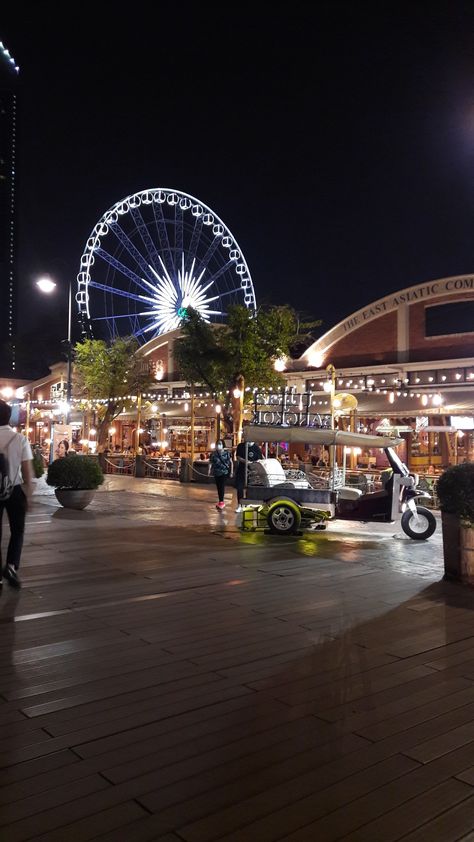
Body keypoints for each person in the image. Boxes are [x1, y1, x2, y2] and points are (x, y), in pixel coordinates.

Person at [0, 400, 33, 589]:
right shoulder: (19, 439)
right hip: (14, 489)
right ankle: (11, 566)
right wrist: (29, 495)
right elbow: (27, 470)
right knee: (17, 530)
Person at [235, 438, 263, 512]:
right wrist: (245, 461)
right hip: (241, 470)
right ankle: (240, 505)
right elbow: (238, 456)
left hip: (252, 472)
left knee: (250, 489)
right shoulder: (241, 446)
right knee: (240, 488)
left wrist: (253, 464)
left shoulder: (256, 447)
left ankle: (248, 504)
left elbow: (260, 459)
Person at [208, 439, 233, 510]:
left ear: (223, 445)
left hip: (224, 472)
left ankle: (221, 502)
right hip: (216, 472)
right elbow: (211, 462)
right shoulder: (213, 454)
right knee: (218, 486)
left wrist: (231, 472)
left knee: (222, 486)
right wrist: (209, 470)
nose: (219, 445)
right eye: (218, 444)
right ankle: (220, 501)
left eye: (220, 444)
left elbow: (231, 462)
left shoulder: (227, 453)